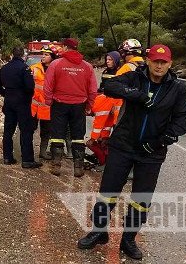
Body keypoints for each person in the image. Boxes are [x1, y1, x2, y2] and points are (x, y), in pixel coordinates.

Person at [77, 44, 186, 260]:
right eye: (155, 61)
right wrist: (137, 95)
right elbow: (110, 87)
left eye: (163, 62)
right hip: (123, 145)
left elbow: (181, 121)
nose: (158, 65)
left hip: (151, 153)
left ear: (170, 64)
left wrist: (160, 142)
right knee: (107, 192)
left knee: (141, 199)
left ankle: (128, 239)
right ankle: (98, 231)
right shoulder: (135, 77)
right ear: (147, 61)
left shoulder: (178, 89)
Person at [43, 38, 97, 177]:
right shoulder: (87, 67)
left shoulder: (56, 64)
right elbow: (92, 90)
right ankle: (78, 168)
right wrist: (89, 106)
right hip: (79, 106)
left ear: (66, 48)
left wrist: (49, 101)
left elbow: (48, 85)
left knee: (57, 135)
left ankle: (56, 166)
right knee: (78, 136)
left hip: (59, 104)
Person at [0, 46, 40, 168]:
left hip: (9, 102)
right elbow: (30, 87)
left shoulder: (5, 68)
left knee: (8, 131)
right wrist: (26, 97)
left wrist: (5, 93)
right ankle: (27, 160)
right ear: (23, 55)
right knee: (26, 130)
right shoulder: (25, 68)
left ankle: (7, 157)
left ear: (12, 55)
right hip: (22, 103)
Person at [86, 51, 124, 167]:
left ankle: (105, 158)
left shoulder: (120, 72)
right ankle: (103, 155)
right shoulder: (106, 72)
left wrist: (92, 139)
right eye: (107, 59)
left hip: (114, 104)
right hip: (106, 99)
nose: (108, 61)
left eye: (110, 60)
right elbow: (102, 86)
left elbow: (98, 123)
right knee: (105, 133)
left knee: (110, 131)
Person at [30, 45, 56, 160]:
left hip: (48, 107)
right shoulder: (34, 68)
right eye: (43, 54)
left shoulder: (56, 70)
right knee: (30, 129)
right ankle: (28, 151)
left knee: (46, 132)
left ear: (52, 57)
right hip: (34, 106)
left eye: (46, 55)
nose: (43, 56)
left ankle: (43, 152)